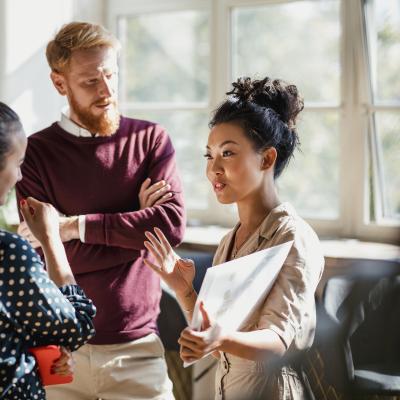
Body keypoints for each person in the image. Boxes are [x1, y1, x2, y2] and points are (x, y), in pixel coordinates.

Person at [16, 22, 185, 399]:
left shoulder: (150, 140)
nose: (107, 91)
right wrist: (135, 233)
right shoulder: (33, 155)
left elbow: (169, 228)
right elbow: (45, 257)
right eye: (91, 81)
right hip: (62, 356)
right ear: (60, 83)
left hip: (138, 351)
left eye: (111, 75)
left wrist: (71, 227)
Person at [144, 77, 325, 399]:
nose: (213, 169)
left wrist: (220, 338)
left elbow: (277, 342)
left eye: (227, 153)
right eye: (208, 155)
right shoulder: (230, 240)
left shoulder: (293, 237)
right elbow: (216, 344)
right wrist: (184, 289)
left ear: (267, 159)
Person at [0, 102, 96, 400]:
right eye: (17, 164)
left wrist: (31, 349)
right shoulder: (9, 254)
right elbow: (76, 326)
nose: (18, 178)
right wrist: (52, 238)